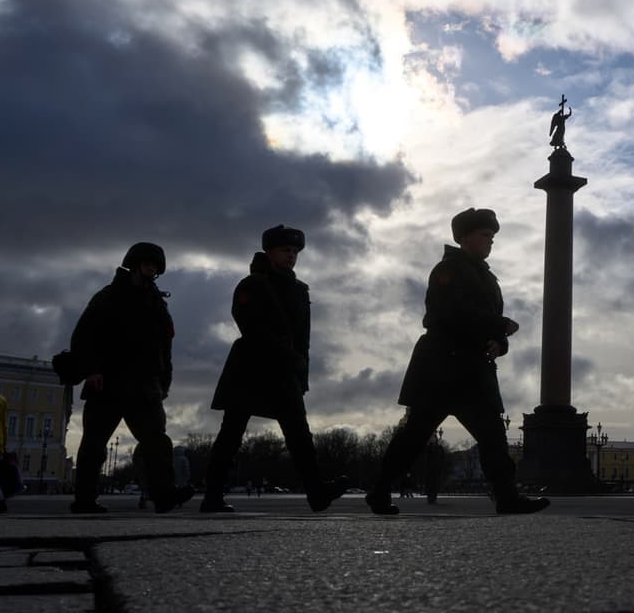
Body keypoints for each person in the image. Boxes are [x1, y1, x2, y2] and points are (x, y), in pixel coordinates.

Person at [366, 208, 549, 516]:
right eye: (485, 235)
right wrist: (499, 325)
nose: (490, 242)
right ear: (464, 237)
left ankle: (506, 497)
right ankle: (380, 490)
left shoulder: (486, 277)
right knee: (415, 437)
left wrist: (500, 342)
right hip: (441, 368)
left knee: (493, 437)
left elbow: (487, 325)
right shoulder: (446, 270)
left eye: (492, 237)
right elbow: (445, 314)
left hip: (472, 369)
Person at [200, 225, 347, 513]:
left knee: (299, 435)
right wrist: (287, 356)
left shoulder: (298, 289)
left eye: (294, 252)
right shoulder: (252, 284)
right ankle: (213, 496)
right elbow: (249, 325)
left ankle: (316, 492)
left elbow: (301, 339)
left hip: (283, 371)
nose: (291, 256)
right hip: (252, 367)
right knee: (231, 433)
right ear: (269, 252)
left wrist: (298, 372)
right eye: (285, 250)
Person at [68, 242, 195, 514]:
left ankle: (164, 496)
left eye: (155, 265)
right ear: (134, 264)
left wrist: (164, 383)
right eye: (147, 263)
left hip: (145, 386)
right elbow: (84, 336)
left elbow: (165, 347)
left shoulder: (158, 304)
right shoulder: (108, 297)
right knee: (94, 444)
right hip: (108, 382)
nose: (151, 268)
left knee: (157, 444)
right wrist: (91, 370)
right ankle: (84, 500)